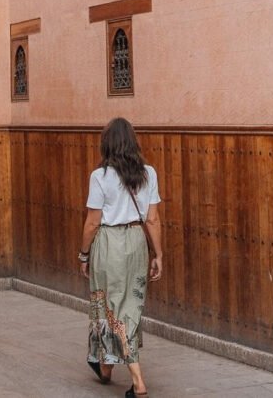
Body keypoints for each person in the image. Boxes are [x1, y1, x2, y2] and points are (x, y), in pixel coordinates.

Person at [78, 117, 163, 398]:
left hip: (109, 243)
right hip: (137, 242)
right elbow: (152, 219)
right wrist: (158, 254)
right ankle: (104, 366)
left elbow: (92, 222)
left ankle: (138, 381)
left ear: (108, 144)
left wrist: (83, 254)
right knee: (128, 306)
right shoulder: (148, 173)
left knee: (111, 309)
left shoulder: (100, 176)